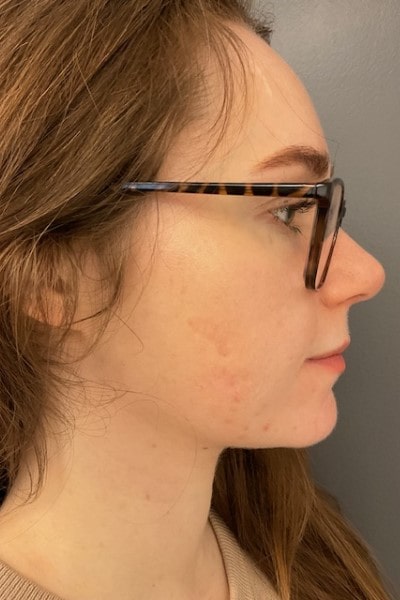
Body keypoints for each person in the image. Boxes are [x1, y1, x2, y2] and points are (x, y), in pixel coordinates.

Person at [0, 1, 394, 599]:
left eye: (322, 203)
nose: (365, 274)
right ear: (53, 281)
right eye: (287, 207)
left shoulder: (307, 553)